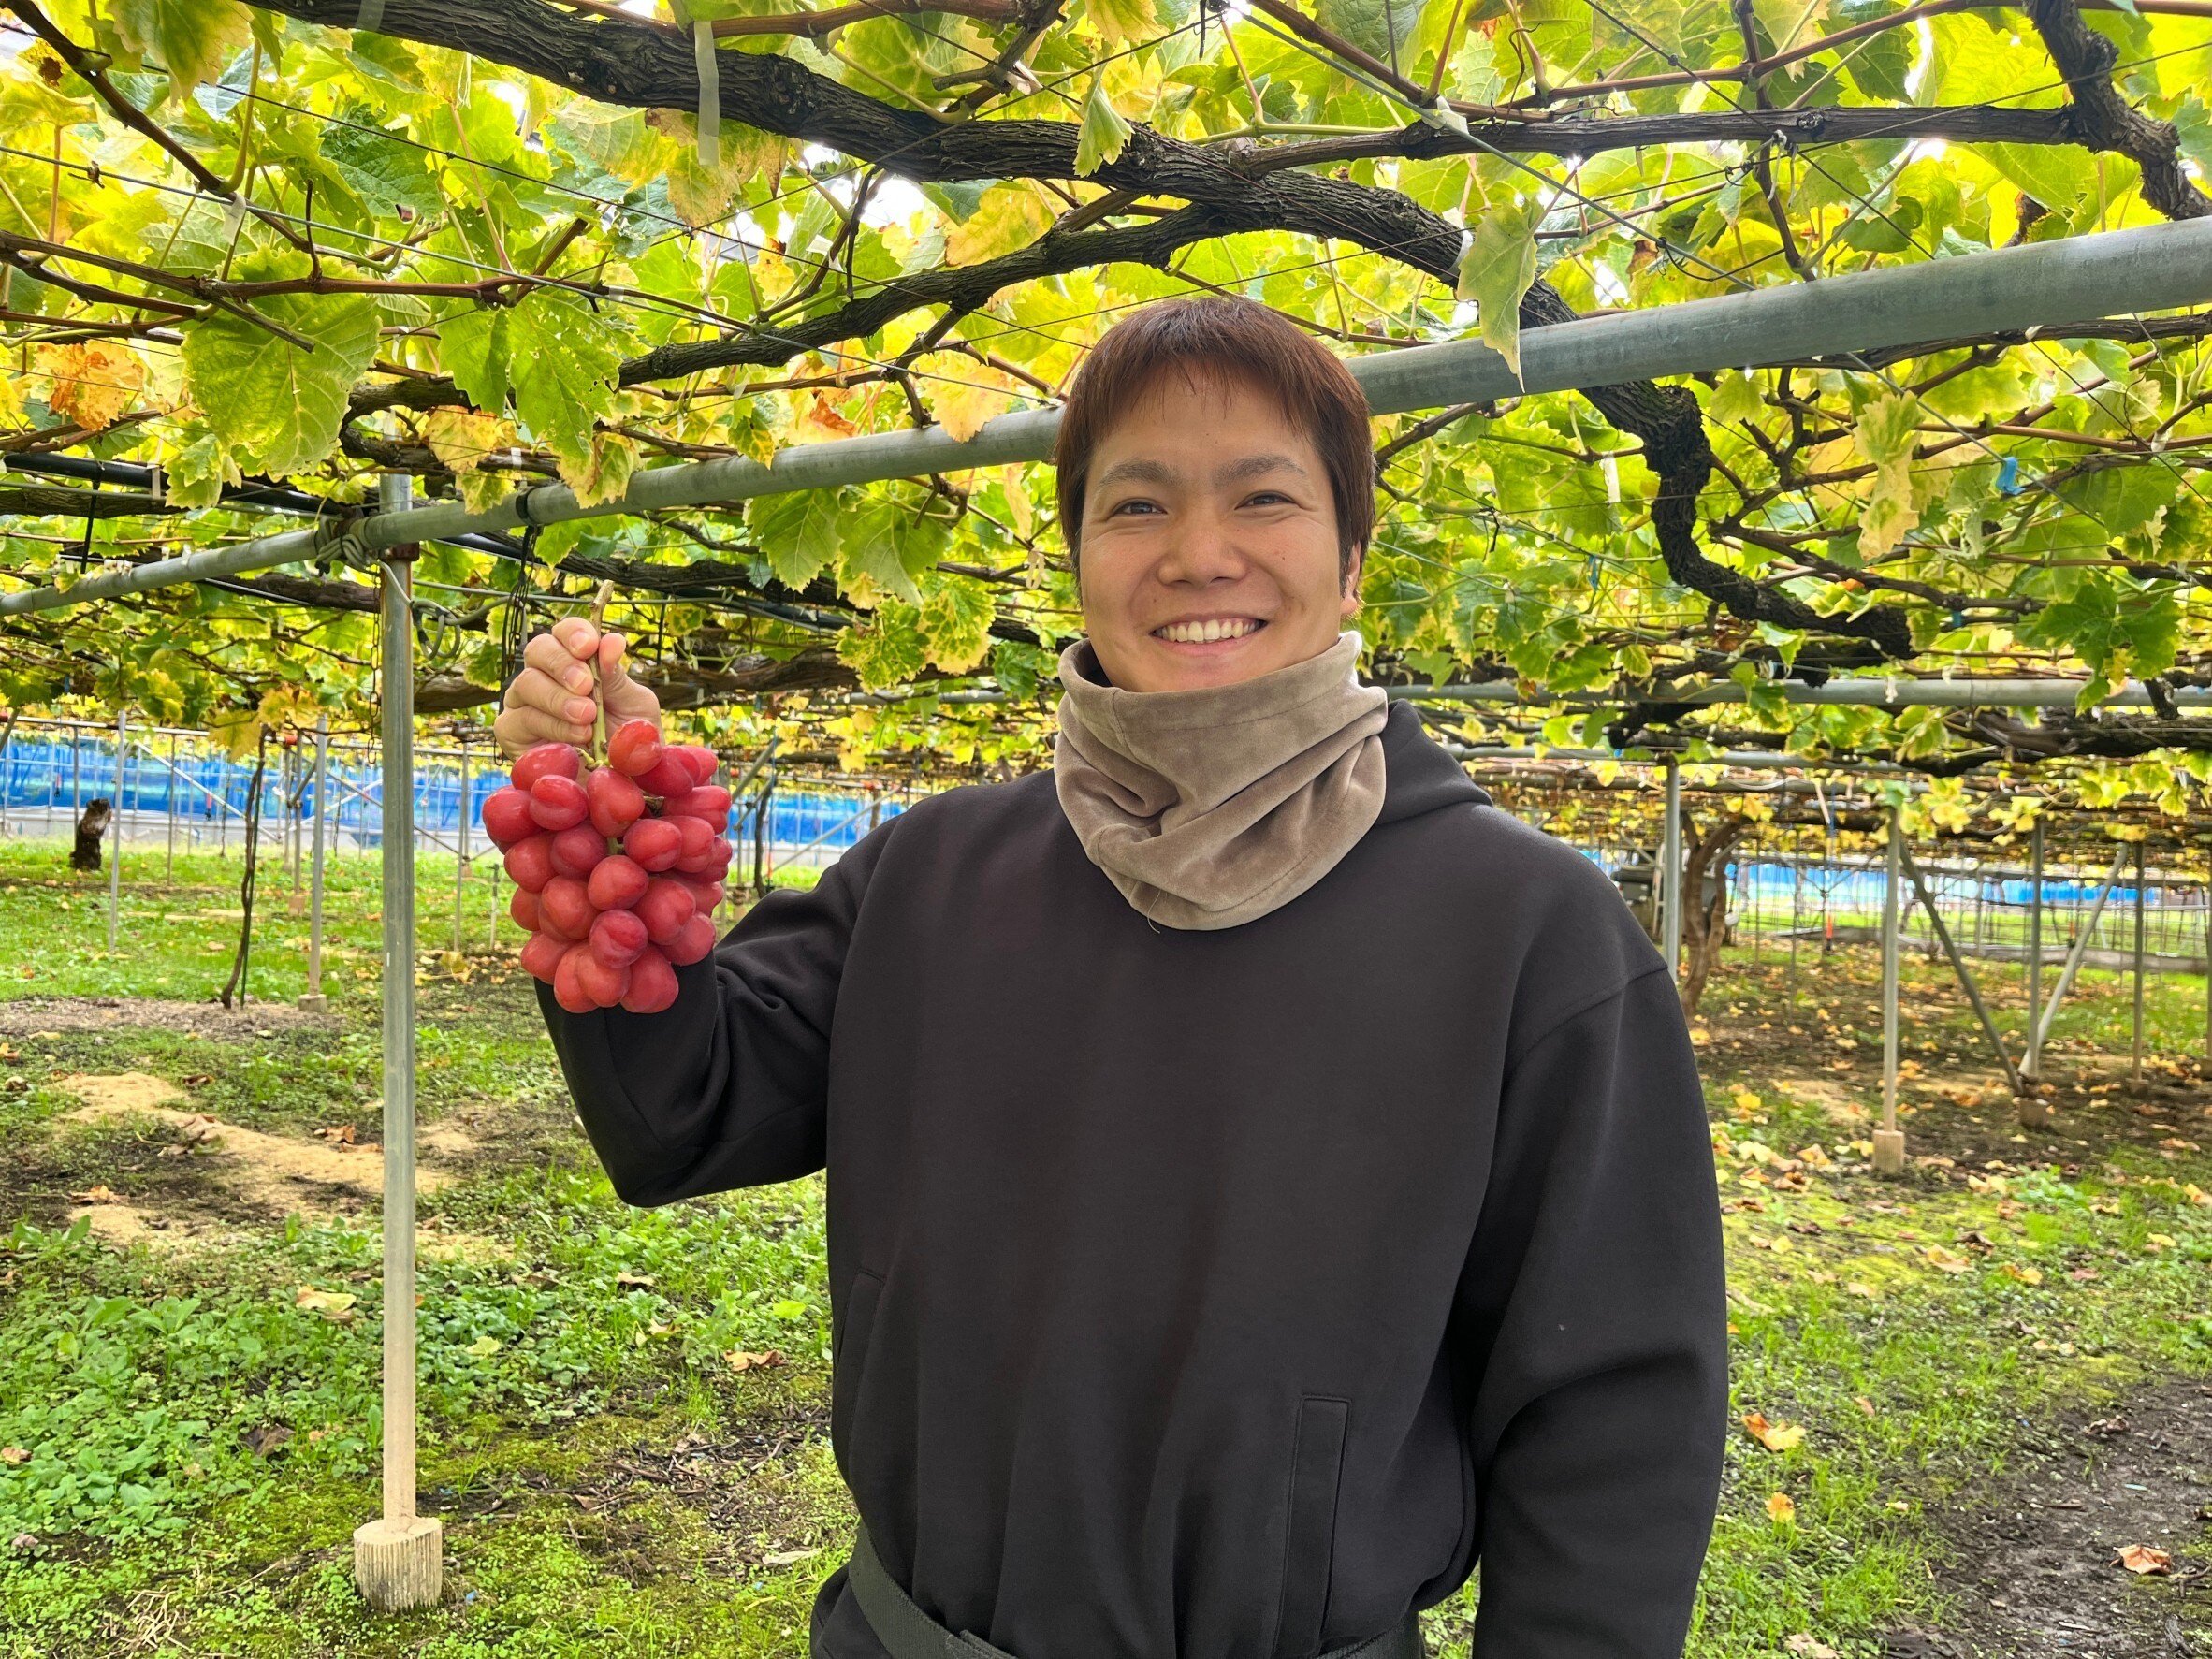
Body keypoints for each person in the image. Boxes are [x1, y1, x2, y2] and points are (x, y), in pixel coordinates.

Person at [496, 297, 1728, 1659]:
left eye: (1263, 496)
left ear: (1355, 560)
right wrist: (606, 850)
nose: (1200, 555)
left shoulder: (1528, 933)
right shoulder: (930, 876)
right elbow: (683, 1112)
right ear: (1079, 557)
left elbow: (1612, 1417)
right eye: (1136, 507)